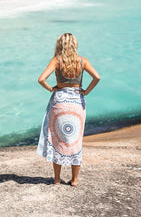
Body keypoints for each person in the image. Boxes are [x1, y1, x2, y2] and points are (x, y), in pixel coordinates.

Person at [37, 33, 100, 186]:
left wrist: (52, 89)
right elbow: (97, 77)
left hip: (60, 101)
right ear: (75, 45)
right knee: (75, 140)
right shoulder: (82, 61)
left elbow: (41, 79)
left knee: (57, 139)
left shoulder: (56, 61)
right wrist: (86, 91)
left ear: (60, 45)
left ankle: (57, 179)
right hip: (77, 102)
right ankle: (75, 180)